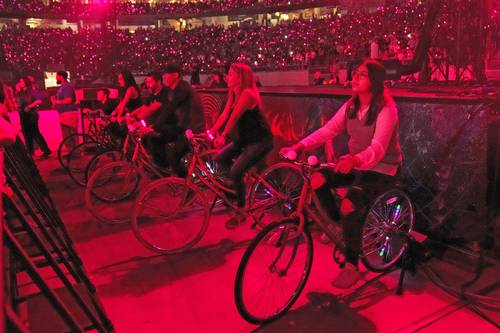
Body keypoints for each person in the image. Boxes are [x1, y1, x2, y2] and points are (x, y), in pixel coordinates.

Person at [280, 59, 402, 288]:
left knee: (349, 205)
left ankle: (352, 266)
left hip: (381, 168)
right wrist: (299, 146)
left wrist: (355, 159)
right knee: (316, 179)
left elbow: (378, 148)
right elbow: (329, 130)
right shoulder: (351, 105)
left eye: (362, 75)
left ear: (375, 82)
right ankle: (340, 226)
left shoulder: (387, 109)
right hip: (355, 164)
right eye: (355, 72)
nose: (354, 77)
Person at [209, 63, 273, 229]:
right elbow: (225, 114)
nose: (227, 77)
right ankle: (236, 187)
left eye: (231, 74)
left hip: (259, 141)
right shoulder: (234, 93)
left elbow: (235, 116)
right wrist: (210, 131)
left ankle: (242, 208)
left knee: (235, 171)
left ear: (241, 77)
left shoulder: (247, 94)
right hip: (244, 140)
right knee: (220, 160)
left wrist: (223, 136)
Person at [147, 63, 205, 177]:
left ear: (175, 75)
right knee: (155, 137)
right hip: (182, 126)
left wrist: (154, 126)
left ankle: (186, 183)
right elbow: (165, 110)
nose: (163, 77)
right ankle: (163, 170)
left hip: (192, 129)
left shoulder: (181, 88)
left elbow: (169, 109)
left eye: (166, 74)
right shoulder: (172, 90)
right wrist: (153, 126)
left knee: (173, 157)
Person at [16, 77, 51, 158]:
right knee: (26, 134)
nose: (19, 83)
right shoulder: (20, 92)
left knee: (35, 133)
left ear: (26, 82)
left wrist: (30, 106)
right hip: (23, 115)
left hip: (31, 115)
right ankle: (31, 152)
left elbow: (39, 100)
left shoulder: (31, 91)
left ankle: (44, 150)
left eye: (21, 81)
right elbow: (18, 102)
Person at [50, 71, 77, 150]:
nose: (56, 78)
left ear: (61, 76)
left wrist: (56, 102)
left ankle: (75, 152)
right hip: (64, 114)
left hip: (69, 113)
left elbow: (69, 100)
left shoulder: (67, 86)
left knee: (71, 135)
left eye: (56, 76)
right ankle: (71, 152)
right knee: (67, 135)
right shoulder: (62, 87)